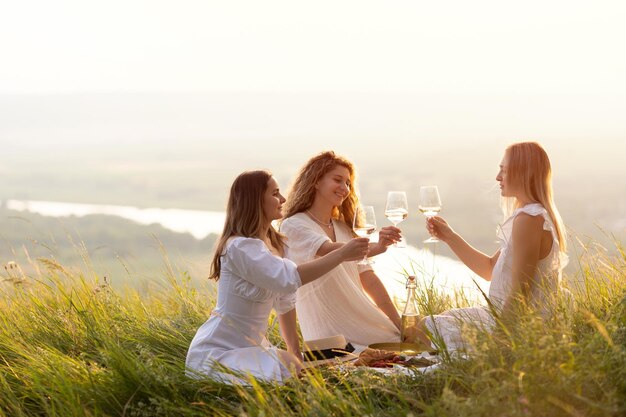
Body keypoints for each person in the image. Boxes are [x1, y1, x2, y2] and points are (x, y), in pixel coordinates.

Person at [185, 170, 369, 383]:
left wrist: (295, 351)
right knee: (289, 366)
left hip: (251, 349)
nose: (282, 199)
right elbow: (289, 278)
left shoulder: (277, 245)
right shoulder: (239, 247)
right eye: (275, 194)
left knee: (296, 364)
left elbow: (285, 301)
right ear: (254, 200)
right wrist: (342, 254)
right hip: (217, 352)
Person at [422, 141, 568, 351]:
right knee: (441, 320)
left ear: (523, 173)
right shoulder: (531, 216)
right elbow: (490, 269)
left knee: (421, 328)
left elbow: (520, 292)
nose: (498, 177)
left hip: (517, 327)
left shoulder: (529, 219)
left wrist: (497, 345)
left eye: (504, 170)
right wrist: (450, 237)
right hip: (501, 316)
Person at [280, 151, 403, 351]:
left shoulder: (344, 228)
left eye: (348, 183)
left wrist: (400, 325)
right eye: (338, 180)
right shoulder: (294, 225)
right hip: (330, 334)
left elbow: (369, 280)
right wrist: (377, 247)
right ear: (316, 181)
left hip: (365, 324)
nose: (344, 188)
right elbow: (329, 250)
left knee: (432, 342)